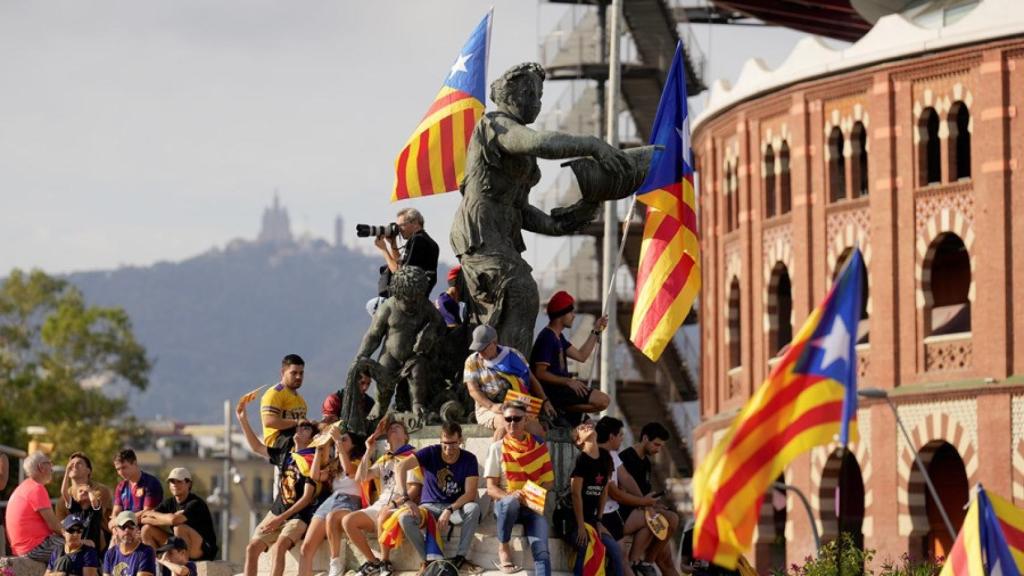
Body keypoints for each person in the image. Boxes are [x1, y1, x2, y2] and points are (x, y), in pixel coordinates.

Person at [451, 62, 631, 356]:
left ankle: (512, 373)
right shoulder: (495, 125)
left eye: (539, 94)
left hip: (502, 233)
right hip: (480, 231)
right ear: (511, 97)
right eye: (531, 93)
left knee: (518, 299)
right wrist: (592, 144)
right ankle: (507, 378)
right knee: (520, 291)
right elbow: (540, 142)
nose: (537, 102)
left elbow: (521, 211)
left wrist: (562, 222)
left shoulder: (520, 148)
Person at [237, 395, 322, 576]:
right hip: (277, 510)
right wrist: (243, 420)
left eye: (306, 427)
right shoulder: (286, 454)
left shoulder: (312, 460)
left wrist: (280, 519)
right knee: (251, 548)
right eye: (298, 425)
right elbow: (257, 447)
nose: (299, 428)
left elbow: (307, 497)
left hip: (298, 515)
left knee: (279, 547)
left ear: (311, 437)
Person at [395, 421, 482, 573]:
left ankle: (460, 558)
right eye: (445, 444)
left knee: (473, 508)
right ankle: (428, 561)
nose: (449, 449)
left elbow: (470, 494)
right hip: (428, 507)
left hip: (455, 507)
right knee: (404, 518)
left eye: (453, 444)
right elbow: (400, 467)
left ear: (460, 440)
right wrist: (406, 498)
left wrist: (449, 509)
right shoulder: (431, 452)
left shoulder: (469, 459)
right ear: (440, 441)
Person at [344, 418, 423, 576]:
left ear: (406, 436)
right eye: (391, 428)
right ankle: (373, 561)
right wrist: (369, 450)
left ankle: (386, 563)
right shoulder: (384, 459)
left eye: (398, 427)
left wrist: (394, 504)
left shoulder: (413, 457)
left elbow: (415, 489)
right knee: (348, 521)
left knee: (383, 515)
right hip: (380, 505)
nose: (393, 429)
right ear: (387, 438)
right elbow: (360, 477)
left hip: (402, 505)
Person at [483, 401, 555, 575]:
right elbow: (491, 489)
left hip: (531, 507)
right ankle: (503, 546)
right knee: (511, 503)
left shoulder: (539, 447)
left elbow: (549, 482)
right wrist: (512, 495)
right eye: (508, 419)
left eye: (517, 419)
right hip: (506, 506)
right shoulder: (496, 448)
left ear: (526, 421)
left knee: (542, 552)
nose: (512, 423)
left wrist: (529, 494)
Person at [531, 291, 610, 425]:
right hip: (555, 391)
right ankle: (561, 407)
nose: (573, 316)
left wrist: (596, 330)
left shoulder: (559, 337)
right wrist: (568, 381)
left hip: (565, 390)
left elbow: (581, 356)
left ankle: (564, 409)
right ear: (561, 315)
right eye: (571, 312)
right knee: (602, 400)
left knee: (590, 426)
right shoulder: (546, 338)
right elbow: (539, 373)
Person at [595, 417, 661, 576]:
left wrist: (646, 503)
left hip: (615, 514)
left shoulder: (613, 454)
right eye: (620, 435)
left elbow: (626, 478)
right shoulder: (598, 457)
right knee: (619, 558)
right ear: (611, 437)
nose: (622, 439)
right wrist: (643, 501)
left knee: (653, 520)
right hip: (603, 517)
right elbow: (615, 493)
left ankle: (637, 562)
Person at [464, 324, 554, 438]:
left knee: (538, 432)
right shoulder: (472, 361)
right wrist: (492, 406)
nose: (480, 353)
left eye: (483, 348)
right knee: (506, 424)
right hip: (488, 407)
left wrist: (545, 400)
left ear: (494, 343)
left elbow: (531, 378)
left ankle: (533, 455)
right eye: (478, 349)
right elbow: (473, 390)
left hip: (518, 404)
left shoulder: (513, 355)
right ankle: (497, 455)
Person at [299, 426, 366, 576]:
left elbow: (349, 471)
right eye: (339, 439)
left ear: (353, 444)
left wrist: (337, 442)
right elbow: (315, 475)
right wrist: (318, 449)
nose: (339, 442)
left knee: (332, 518)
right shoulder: (335, 465)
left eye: (344, 439)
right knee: (306, 548)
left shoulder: (360, 461)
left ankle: (335, 562)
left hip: (349, 501)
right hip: (331, 501)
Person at [618, 423, 680, 576]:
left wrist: (655, 504)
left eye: (661, 446)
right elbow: (621, 493)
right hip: (625, 512)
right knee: (670, 519)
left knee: (669, 518)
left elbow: (645, 494)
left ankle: (644, 563)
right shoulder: (626, 457)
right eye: (656, 444)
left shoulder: (645, 462)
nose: (658, 449)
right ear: (645, 438)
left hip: (641, 510)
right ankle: (643, 562)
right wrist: (646, 505)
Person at [568, 420, 625, 576]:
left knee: (615, 550)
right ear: (579, 441)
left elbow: (604, 492)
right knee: (584, 545)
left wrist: (599, 520)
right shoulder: (581, 459)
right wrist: (580, 526)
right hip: (574, 520)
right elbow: (576, 494)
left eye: (588, 425)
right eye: (581, 428)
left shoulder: (606, 458)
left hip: (592, 521)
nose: (586, 426)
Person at [138, 468, 218, 561]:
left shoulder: (196, 503)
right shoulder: (169, 502)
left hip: (202, 550)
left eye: (179, 481)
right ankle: (156, 566)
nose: (175, 485)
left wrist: (166, 517)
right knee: (146, 529)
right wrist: (168, 517)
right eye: (172, 482)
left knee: (179, 528)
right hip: (179, 544)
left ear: (189, 484)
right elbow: (144, 518)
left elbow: (175, 521)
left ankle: (183, 566)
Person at [6, 452, 64, 562]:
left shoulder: (24, 486)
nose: (52, 468)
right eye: (49, 463)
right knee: (81, 550)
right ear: (41, 467)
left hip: (22, 548)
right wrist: (77, 538)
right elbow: (54, 526)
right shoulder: (36, 488)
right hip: (34, 547)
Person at [376, 207, 440, 297]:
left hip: (408, 298)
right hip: (418, 296)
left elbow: (399, 273)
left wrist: (384, 250)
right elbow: (401, 264)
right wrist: (393, 243)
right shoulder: (429, 242)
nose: (399, 230)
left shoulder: (418, 240)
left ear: (415, 223)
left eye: (401, 226)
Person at [58, 452, 114, 552]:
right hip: (75, 539)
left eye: (79, 463)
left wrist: (89, 491)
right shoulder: (65, 500)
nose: (74, 465)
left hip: (98, 539)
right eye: (71, 464)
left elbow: (96, 508)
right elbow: (61, 524)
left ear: (88, 470)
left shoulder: (100, 490)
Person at [110, 449, 164, 538]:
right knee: (114, 536)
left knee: (144, 530)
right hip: (124, 530)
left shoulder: (150, 483)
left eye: (124, 467)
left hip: (145, 531)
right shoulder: (121, 486)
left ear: (134, 463)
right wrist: (115, 528)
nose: (121, 472)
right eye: (118, 469)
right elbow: (115, 513)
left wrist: (119, 520)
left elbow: (147, 513)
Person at [260, 353, 309, 450]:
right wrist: (297, 422)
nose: (298, 377)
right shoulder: (275, 393)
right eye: (294, 373)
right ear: (283, 372)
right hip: (280, 449)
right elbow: (269, 421)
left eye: (301, 373)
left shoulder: (300, 399)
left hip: (296, 447)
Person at [103, 511, 156, 576]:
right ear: (116, 530)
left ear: (137, 529)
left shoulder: (146, 552)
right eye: (123, 526)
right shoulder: (110, 554)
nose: (127, 530)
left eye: (131, 526)